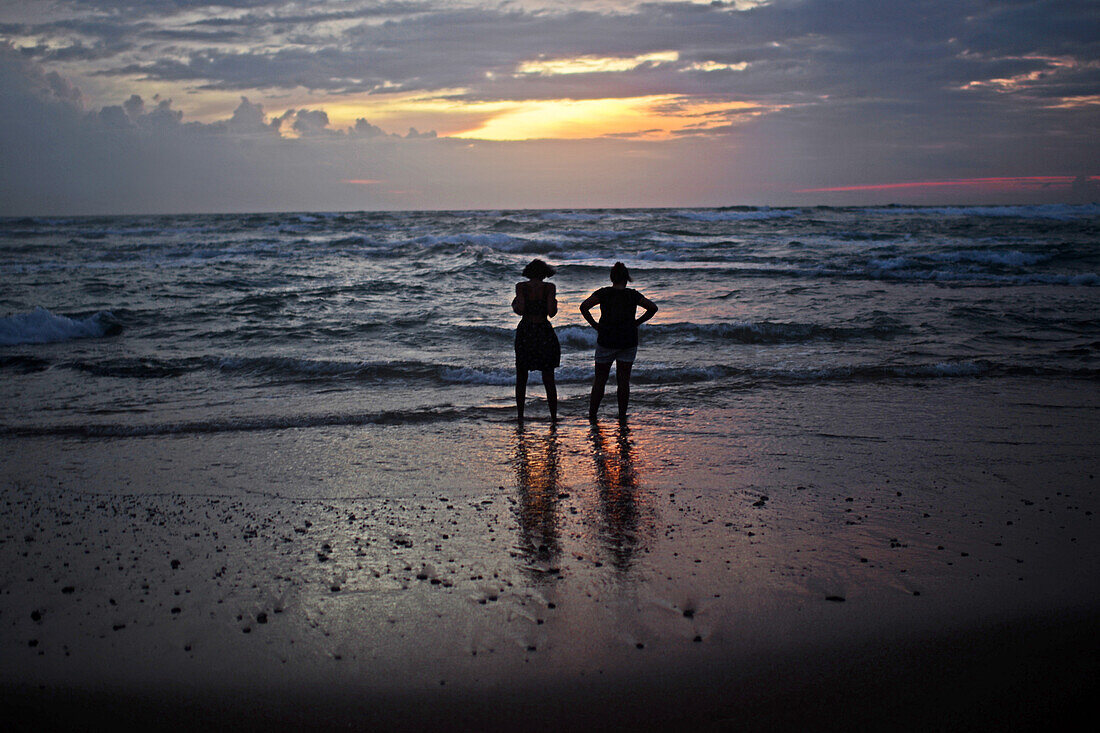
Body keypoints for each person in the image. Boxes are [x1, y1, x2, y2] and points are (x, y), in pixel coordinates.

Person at [579, 262, 658, 421]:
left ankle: (592, 415)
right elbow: (653, 308)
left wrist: (595, 325)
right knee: (623, 381)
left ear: (611, 278)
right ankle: (622, 415)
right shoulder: (633, 294)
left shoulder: (604, 293)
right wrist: (636, 323)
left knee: (600, 379)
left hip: (607, 339)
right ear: (626, 278)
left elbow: (584, 306)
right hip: (628, 340)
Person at [513, 258, 560, 421]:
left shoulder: (521, 287)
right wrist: (554, 302)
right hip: (543, 332)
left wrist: (514, 304)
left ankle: (520, 416)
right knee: (548, 377)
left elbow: (520, 310)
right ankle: (553, 416)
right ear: (544, 273)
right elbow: (551, 313)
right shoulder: (549, 288)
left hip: (526, 331)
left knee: (521, 377)